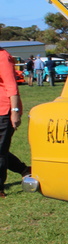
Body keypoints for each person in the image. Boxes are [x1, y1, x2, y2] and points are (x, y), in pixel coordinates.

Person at [0, 42, 31, 198]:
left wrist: (15, 111)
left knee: (0, 151)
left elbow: (12, 86)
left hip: (4, 110)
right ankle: (23, 170)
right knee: (1, 150)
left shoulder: (3, 57)